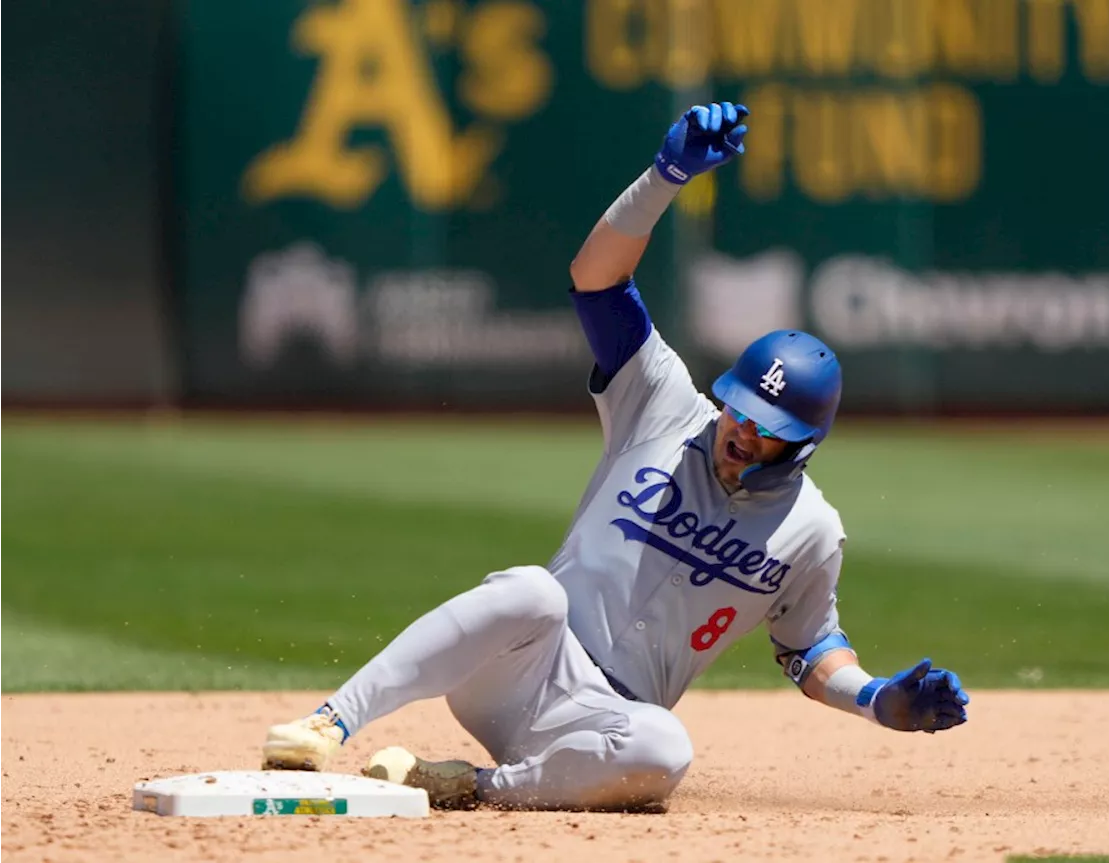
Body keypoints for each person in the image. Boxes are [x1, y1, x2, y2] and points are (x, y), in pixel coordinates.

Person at [261, 101, 969, 811]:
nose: (743, 430)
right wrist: (665, 176)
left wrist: (879, 700)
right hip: (518, 668)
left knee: (667, 747)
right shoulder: (664, 403)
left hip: (603, 725)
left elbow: (812, 652)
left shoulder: (810, 529)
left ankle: (465, 784)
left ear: (805, 444)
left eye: (768, 427)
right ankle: (329, 721)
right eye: (740, 408)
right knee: (532, 589)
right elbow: (597, 282)